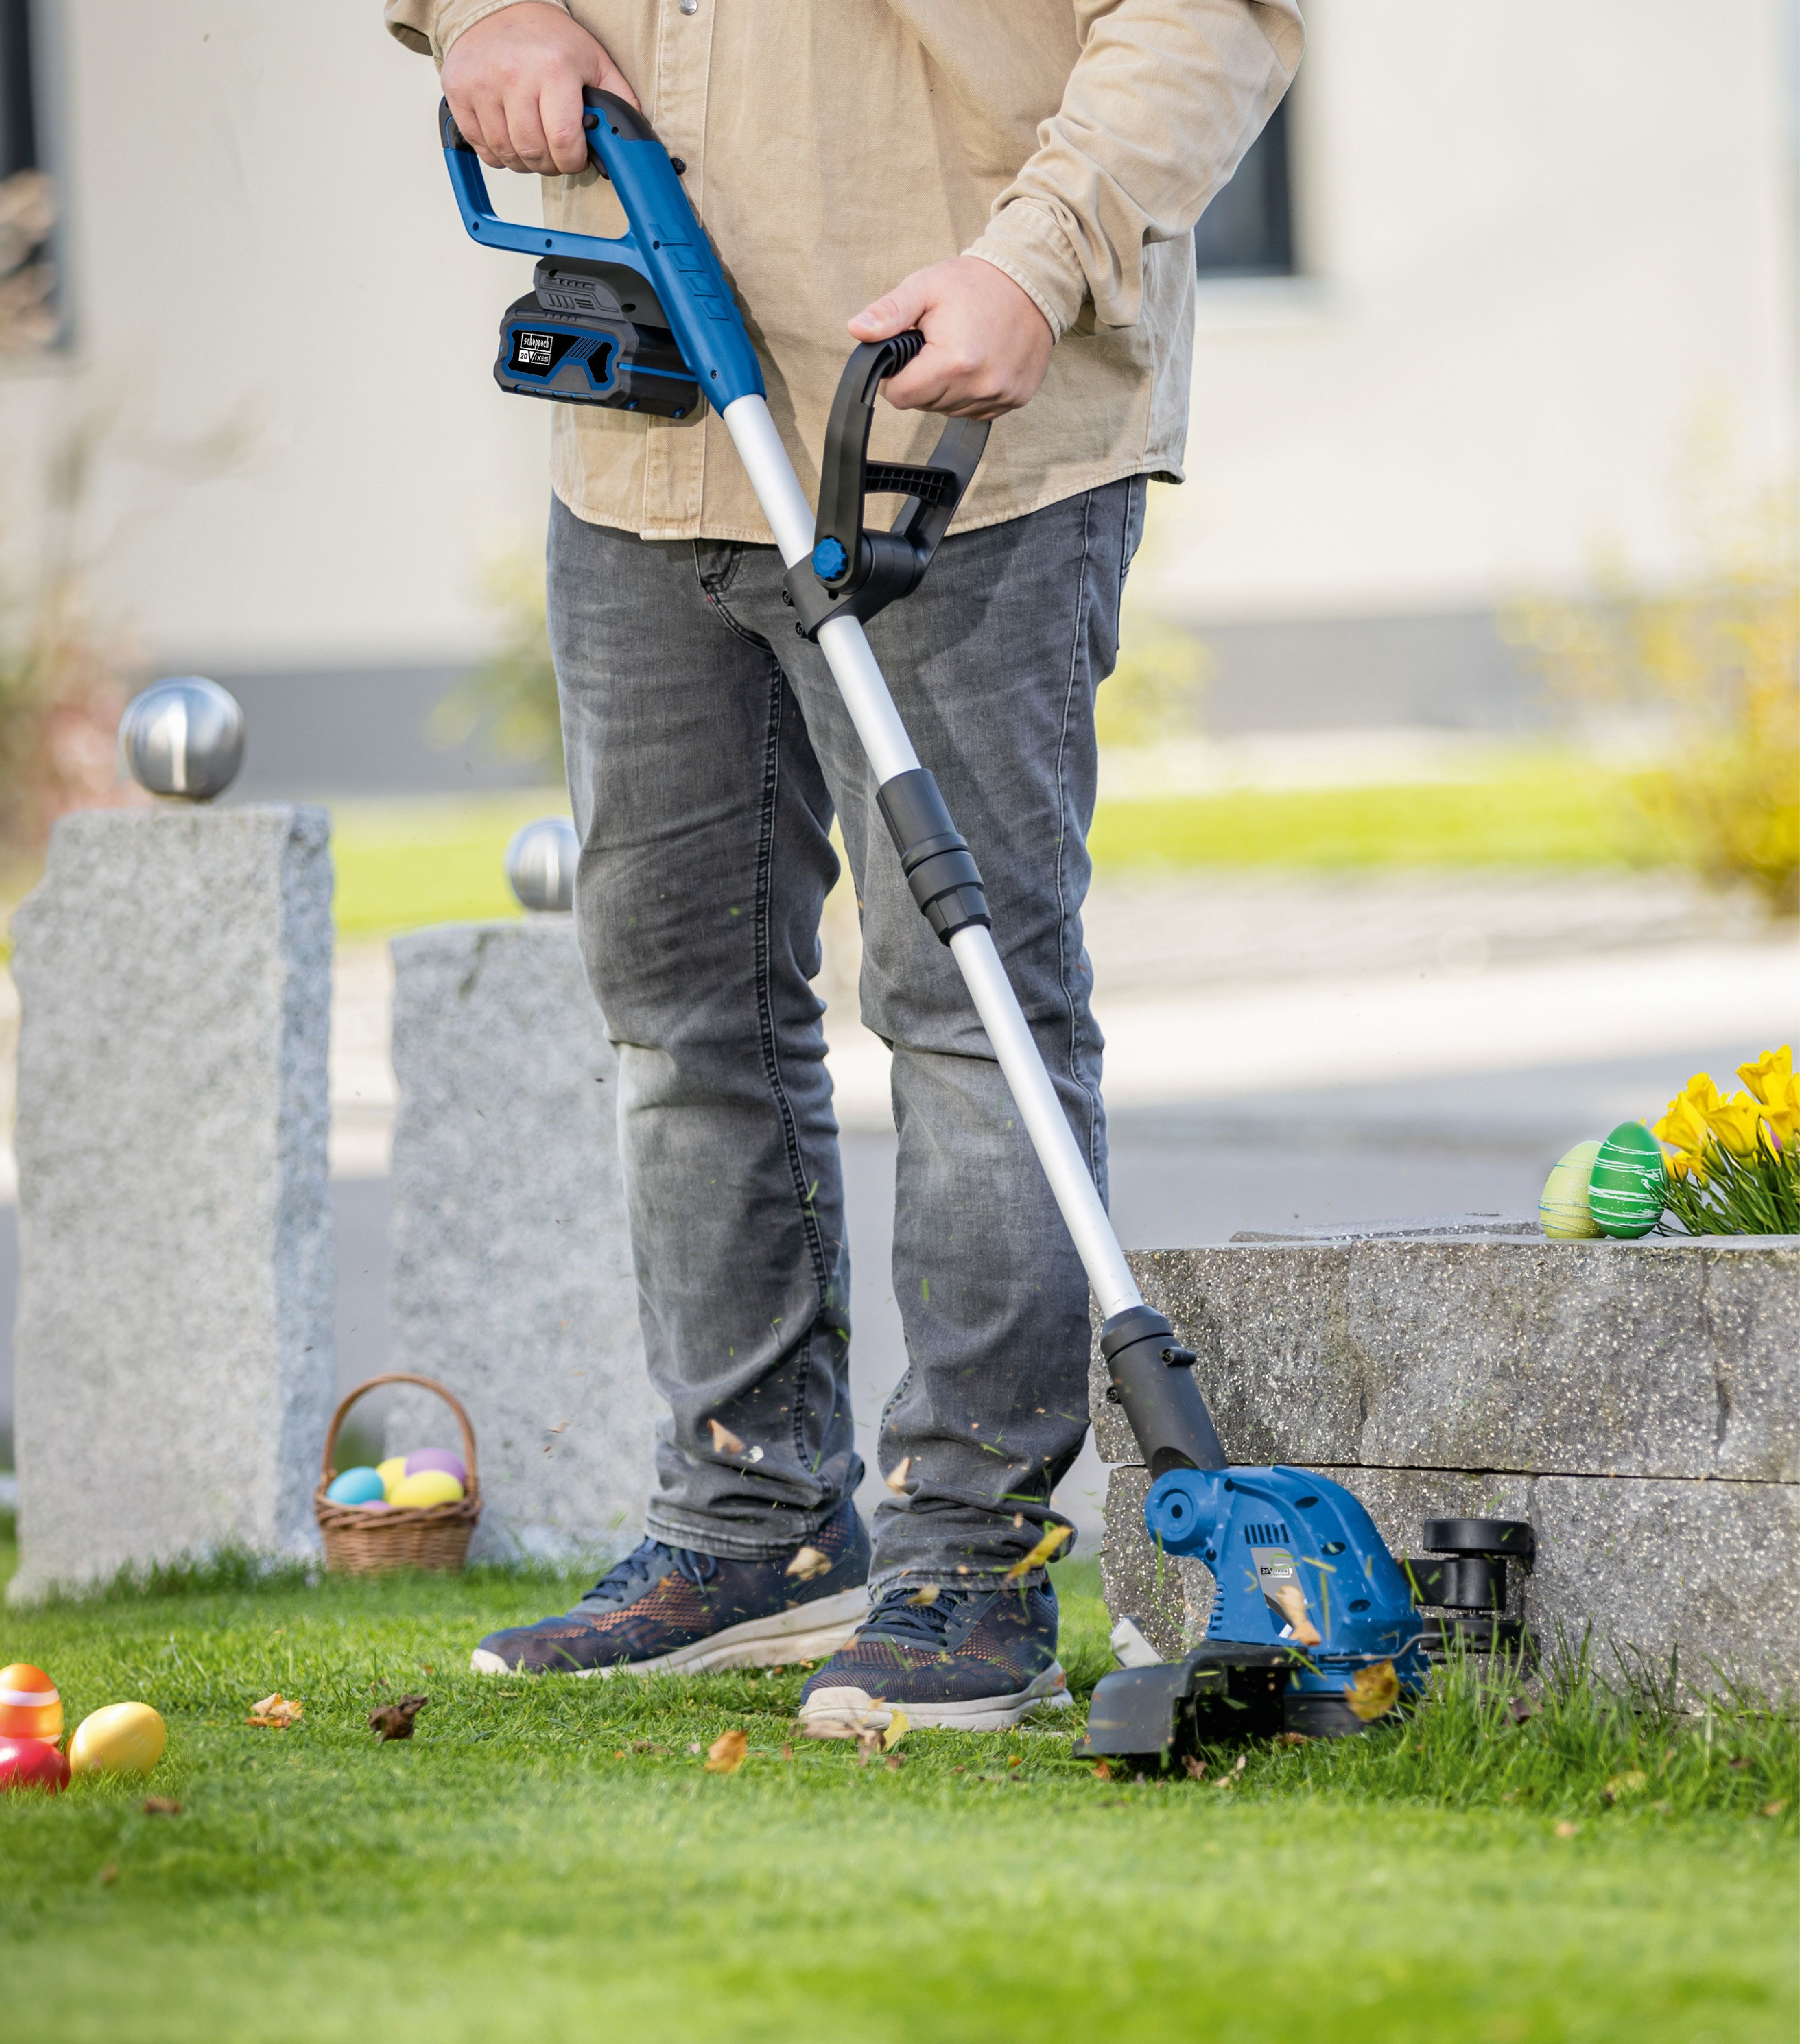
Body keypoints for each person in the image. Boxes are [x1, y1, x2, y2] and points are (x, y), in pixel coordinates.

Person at [383, 0, 1300, 1732]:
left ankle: (970, 1557)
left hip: (948, 435)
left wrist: (1036, 261)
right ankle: (752, 1527)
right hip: (643, 406)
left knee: (966, 1009)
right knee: (679, 1013)